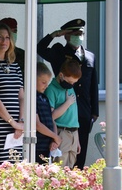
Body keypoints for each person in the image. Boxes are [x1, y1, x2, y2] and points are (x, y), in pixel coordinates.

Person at [38, 18, 99, 168]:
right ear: (66, 35)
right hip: (62, 111)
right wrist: (54, 34)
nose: (78, 36)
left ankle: (78, 187)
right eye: (74, 33)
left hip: (83, 111)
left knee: (79, 153)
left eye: (80, 33)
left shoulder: (89, 56)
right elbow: (40, 48)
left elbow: (93, 85)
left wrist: (94, 112)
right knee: (61, 157)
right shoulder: (59, 52)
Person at [0, 23, 25, 170]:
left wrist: (21, 122)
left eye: (7, 38)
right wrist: (13, 123)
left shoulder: (14, 65)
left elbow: (22, 96)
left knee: (15, 167)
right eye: (0, 37)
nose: (4, 41)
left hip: (17, 127)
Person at [44, 58, 83, 168]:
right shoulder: (51, 89)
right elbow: (51, 116)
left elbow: (73, 116)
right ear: (61, 75)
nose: (71, 85)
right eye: (70, 82)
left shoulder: (69, 87)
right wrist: (67, 103)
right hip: (61, 132)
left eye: (74, 83)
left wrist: (77, 139)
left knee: (71, 169)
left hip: (73, 133)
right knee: (59, 169)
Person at [34, 62, 61, 163]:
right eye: (43, 82)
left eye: (48, 83)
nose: (46, 86)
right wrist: (55, 136)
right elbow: (37, 124)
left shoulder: (44, 97)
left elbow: (51, 119)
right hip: (37, 146)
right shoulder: (33, 97)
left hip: (48, 146)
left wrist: (54, 139)